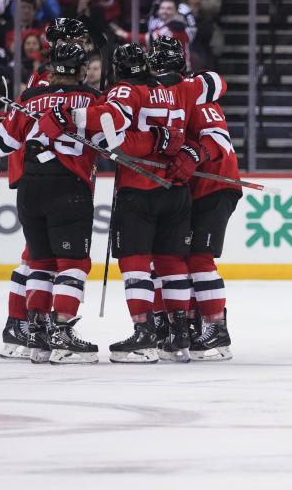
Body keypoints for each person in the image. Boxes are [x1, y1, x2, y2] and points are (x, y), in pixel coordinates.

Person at [71, 43, 226, 363]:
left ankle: (144, 334)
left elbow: (111, 132)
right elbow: (218, 82)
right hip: (178, 190)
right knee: (173, 264)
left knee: (136, 262)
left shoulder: (129, 90)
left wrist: (71, 114)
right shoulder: (183, 88)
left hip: (139, 188)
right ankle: (179, 332)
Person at [0, 43, 102, 364]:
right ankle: (62, 330)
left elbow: (0, 146)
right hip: (69, 187)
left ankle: (37, 332)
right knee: (73, 264)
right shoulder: (93, 99)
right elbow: (109, 142)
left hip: (30, 187)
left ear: (51, 69)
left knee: (40, 262)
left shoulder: (29, 99)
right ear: (81, 70)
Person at [149, 36, 237, 359]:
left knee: (199, 258)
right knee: (176, 258)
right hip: (193, 189)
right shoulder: (166, 96)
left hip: (214, 186)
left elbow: (219, 139)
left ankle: (217, 332)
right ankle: (189, 323)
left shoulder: (194, 92)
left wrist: (194, 152)